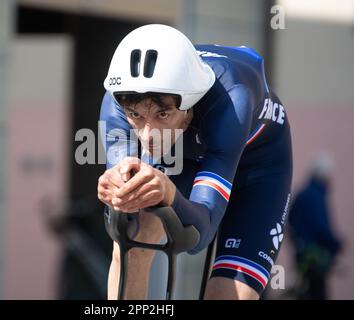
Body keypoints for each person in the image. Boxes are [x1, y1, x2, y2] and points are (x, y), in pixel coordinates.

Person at [97, 24, 293, 300]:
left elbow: (198, 235)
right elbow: (123, 220)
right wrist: (119, 200)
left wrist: (168, 193)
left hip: (258, 164)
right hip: (186, 150)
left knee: (227, 293)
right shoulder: (116, 101)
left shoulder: (231, 100)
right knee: (132, 239)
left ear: (189, 105)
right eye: (136, 116)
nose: (147, 133)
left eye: (162, 115)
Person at [289, 153, 342, 299]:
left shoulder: (302, 193)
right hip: (314, 258)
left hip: (302, 255)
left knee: (304, 291)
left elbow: (291, 220)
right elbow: (321, 227)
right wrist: (337, 244)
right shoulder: (316, 196)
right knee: (317, 293)